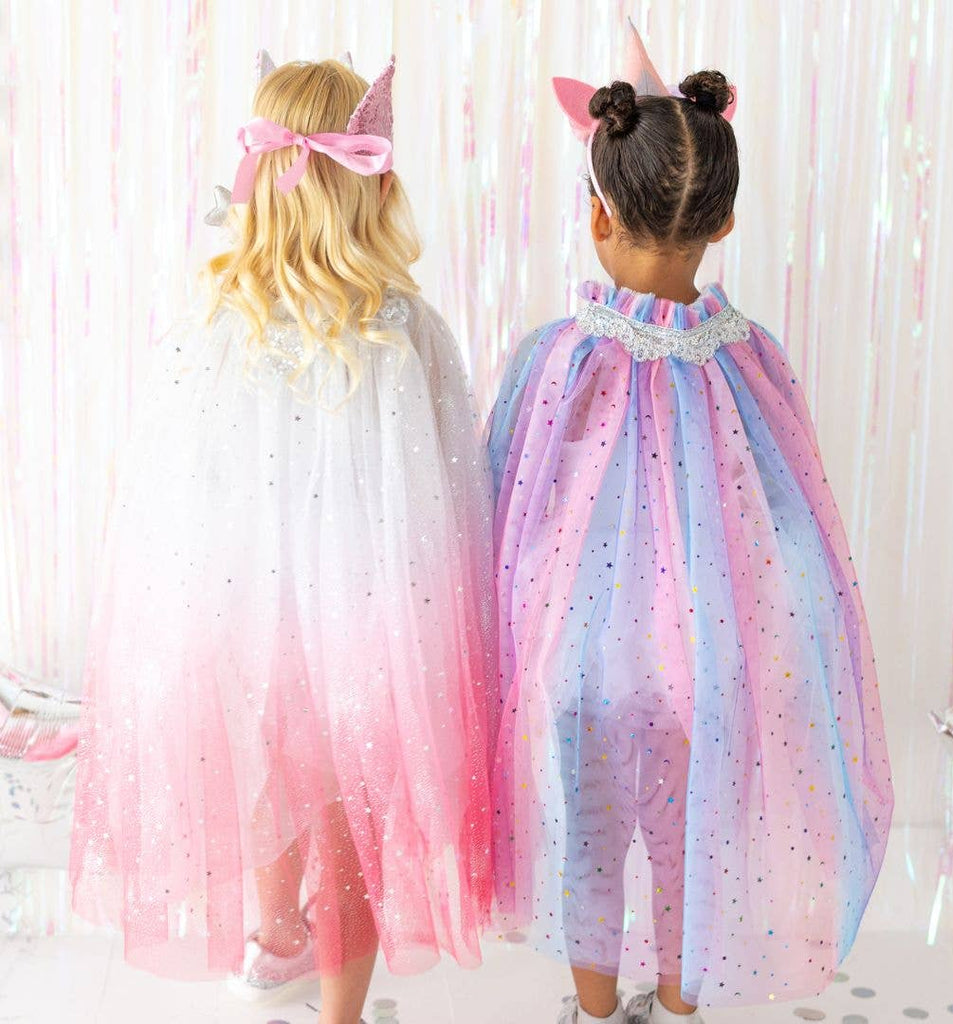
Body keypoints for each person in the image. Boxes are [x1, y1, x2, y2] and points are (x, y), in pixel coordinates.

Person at [70, 54, 495, 1024]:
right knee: (347, 820)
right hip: (366, 624)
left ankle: (277, 940)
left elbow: (169, 488)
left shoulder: (214, 323)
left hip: (233, 612)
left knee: (258, 770)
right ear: (371, 185)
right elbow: (451, 492)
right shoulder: (405, 331)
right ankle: (331, 999)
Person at [488, 24, 893, 1024]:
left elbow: (508, 499)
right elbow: (792, 515)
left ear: (597, 215)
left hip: (579, 653)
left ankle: (592, 1012)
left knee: (588, 830)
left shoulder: (557, 354)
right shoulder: (749, 357)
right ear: (724, 219)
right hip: (703, 656)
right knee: (686, 835)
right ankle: (677, 1007)